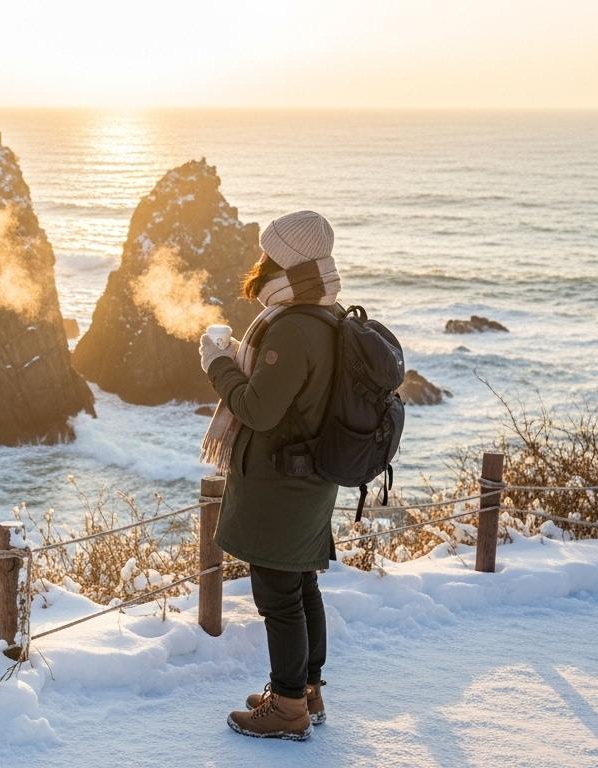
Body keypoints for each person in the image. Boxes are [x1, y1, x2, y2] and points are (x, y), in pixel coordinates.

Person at [197, 210, 343, 740]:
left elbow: (258, 410)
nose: (260, 261)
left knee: (279, 595)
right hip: (308, 478)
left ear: (288, 263)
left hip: (282, 482)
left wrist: (218, 363)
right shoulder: (325, 315)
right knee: (300, 585)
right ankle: (304, 692)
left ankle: (287, 709)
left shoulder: (293, 326)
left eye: (269, 254)